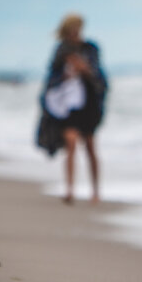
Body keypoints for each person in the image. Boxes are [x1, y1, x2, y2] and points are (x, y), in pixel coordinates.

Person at [37, 14, 109, 205]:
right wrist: (66, 77)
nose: (76, 31)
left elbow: (98, 76)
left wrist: (84, 70)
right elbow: (52, 78)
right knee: (70, 143)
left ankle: (96, 191)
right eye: (73, 27)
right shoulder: (61, 51)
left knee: (91, 146)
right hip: (67, 105)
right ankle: (70, 189)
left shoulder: (90, 49)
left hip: (89, 103)